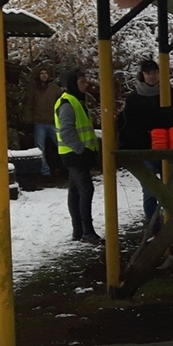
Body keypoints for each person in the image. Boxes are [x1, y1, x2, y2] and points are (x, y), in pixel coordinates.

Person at [117, 58, 173, 224]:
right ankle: (155, 227)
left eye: (154, 72)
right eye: (148, 73)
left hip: (168, 147)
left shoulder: (170, 94)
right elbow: (128, 125)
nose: (152, 76)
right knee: (150, 190)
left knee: (172, 187)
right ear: (142, 75)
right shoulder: (133, 99)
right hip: (145, 149)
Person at [55, 67, 103, 244]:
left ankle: (79, 230)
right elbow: (66, 130)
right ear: (73, 84)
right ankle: (86, 231)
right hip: (75, 155)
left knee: (75, 191)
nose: (86, 84)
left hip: (75, 154)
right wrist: (80, 148)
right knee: (85, 190)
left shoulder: (74, 101)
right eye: (82, 81)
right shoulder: (68, 103)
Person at [21, 66, 62, 176]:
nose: (44, 75)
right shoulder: (33, 89)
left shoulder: (55, 89)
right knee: (40, 150)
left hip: (53, 122)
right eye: (42, 73)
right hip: (39, 123)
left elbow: (62, 104)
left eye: (46, 73)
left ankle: (65, 168)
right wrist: (29, 121)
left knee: (62, 145)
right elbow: (27, 105)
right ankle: (45, 172)